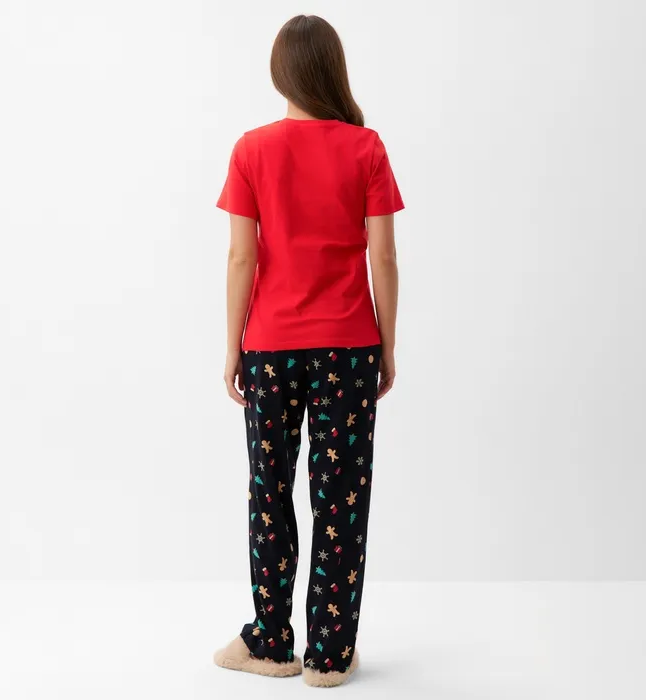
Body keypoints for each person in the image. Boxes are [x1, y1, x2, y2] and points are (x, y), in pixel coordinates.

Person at [213, 14, 404, 688]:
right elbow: (383, 256)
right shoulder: (366, 148)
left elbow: (242, 258)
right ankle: (330, 654)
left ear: (281, 74)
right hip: (349, 347)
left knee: (270, 491)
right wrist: (386, 344)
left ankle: (271, 643)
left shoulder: (252, 150)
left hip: (270, 348)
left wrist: (232, 346)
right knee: (340, 497)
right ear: (332, 71)